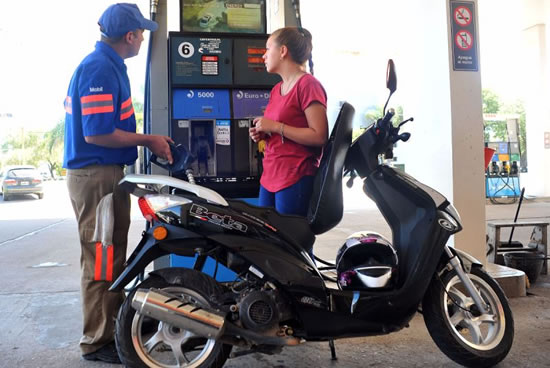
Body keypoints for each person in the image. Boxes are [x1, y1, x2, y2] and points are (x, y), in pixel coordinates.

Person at [62, 3, 173, 364]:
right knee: (101, 259)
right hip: (96, 176)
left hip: (105, 176)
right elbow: (97, 135)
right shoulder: (99, 68)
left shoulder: (109, 65)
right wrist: (148, 140)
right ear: (130, 36)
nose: (143, 37)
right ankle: (97, 341)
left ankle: (110, 327)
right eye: (141, 32)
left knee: (111, 258)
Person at [249, 27, 328, 219]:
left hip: (295, 176)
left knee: (291, 243)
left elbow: (319, 136)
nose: (264, 56)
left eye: (268, 49)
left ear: (283, 51)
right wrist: (265, 132)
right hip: (270, 176)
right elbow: (282, 128)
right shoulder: (277, 89)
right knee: (269, 242)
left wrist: (276, 127)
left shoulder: (308, 85)